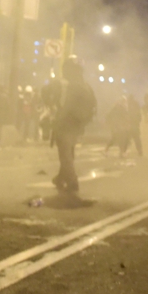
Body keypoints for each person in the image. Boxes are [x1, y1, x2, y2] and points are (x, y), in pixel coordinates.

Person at [51, 58, 96, 193]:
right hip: (78, 125)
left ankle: (72, 181)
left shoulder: (73, 86)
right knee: (69, 151)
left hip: (67, 124)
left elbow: (68, 107)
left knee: (65, 154)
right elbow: (94, 106)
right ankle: (61, 178)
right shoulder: (87, 86)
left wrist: (57, 121)